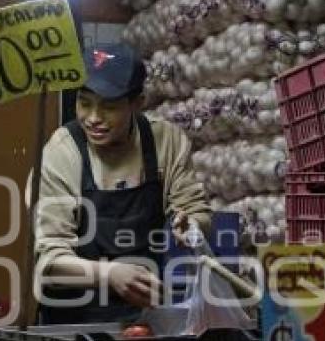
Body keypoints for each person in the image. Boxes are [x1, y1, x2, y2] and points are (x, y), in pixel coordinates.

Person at [35, 43, 211, 323]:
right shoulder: (62, 150)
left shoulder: (165, 141)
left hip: (145, 319)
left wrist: (189, 224)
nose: (93, 118)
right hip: (73, 324)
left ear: (137, 103)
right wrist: (110, 275)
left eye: (110, 106)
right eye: (84, 103)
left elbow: (196, 211)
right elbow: (49, 264)